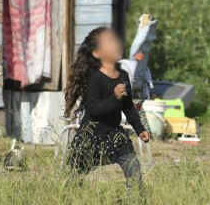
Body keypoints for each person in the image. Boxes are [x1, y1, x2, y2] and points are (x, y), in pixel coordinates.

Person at [63, 27, 150, 192]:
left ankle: (136, 200)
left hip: (115, 135)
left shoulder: (123, 75)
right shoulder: (95, 78)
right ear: (97, 53)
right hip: (90, 137)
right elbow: (94, 110)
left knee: (133, 169)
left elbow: (127, 106)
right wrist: (114, 98)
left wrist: (139, 128)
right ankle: (64, 198)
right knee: (73, 180)